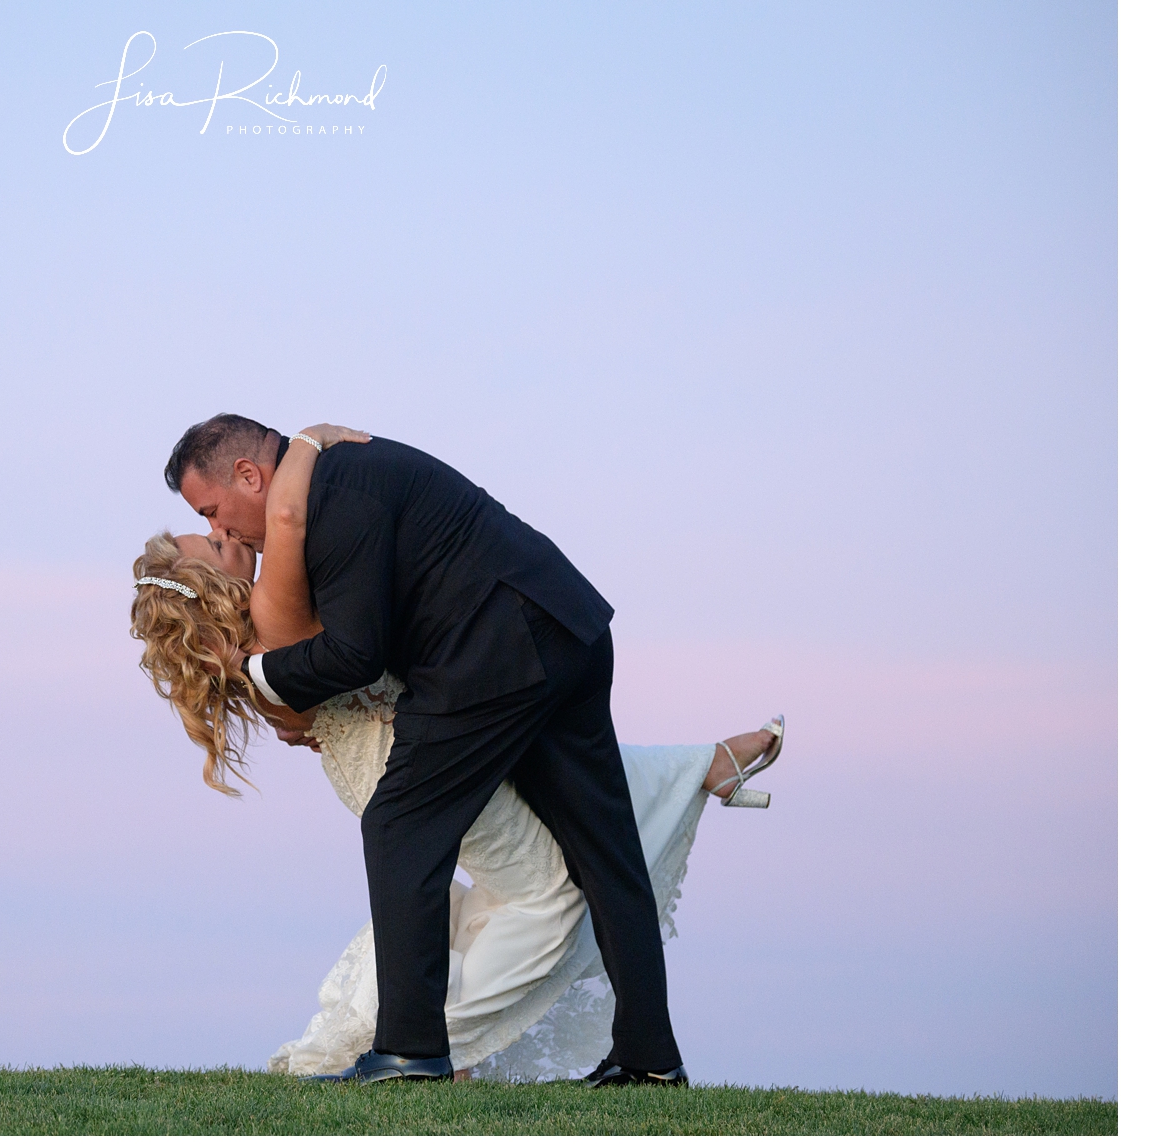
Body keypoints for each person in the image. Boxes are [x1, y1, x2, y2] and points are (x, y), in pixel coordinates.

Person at [132, 419, 783, 1084]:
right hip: (564, 626)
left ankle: (414, 1048)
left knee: (398, 823)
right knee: (606, 854)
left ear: (248, 475)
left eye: (213, 513)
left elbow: (358, 651)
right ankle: (651, 1059)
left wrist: (258, 674)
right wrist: (307, 440)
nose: (228, 529)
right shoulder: (337, 478)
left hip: (496, 658)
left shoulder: (324, 503)